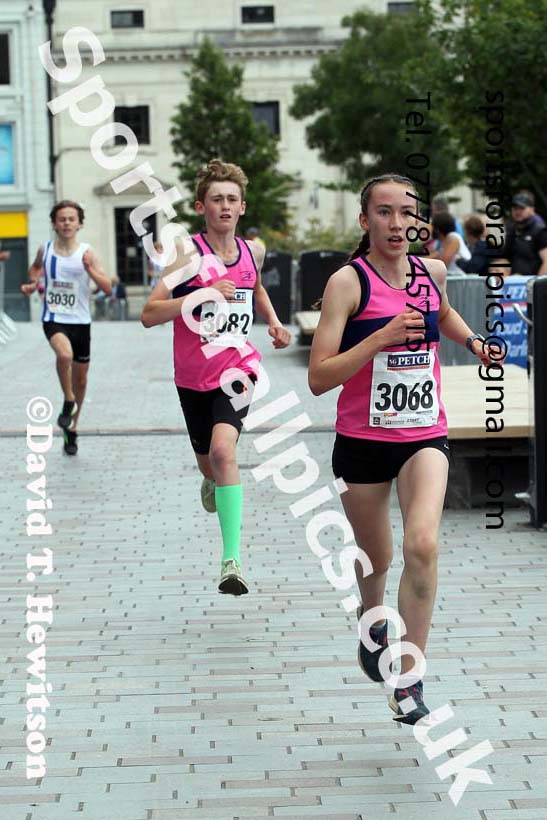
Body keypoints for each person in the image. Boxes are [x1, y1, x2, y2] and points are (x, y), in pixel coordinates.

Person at [308, 174, 500, 724]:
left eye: (406, 214)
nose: (397, 224)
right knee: (380, 557)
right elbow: (319, 378)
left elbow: (440, 313)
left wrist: (472, 342)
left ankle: (410, 680)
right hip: (363, 442)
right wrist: (380, 338)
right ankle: (372, 621)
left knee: (422, 544)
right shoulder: (348, 283)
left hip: (423, 433)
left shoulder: (431, 271)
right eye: (385, 213)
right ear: (366, 220)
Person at [141, 159, 291, 596]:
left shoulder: (252, 251)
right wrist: (202, 294)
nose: (224, 207)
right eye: (216, 200)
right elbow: (150, 314)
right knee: (210, 461)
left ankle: (231, 560)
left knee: (226, 453)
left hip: (238, 368)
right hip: (192, 377)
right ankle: (209, 479)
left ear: (242, 207)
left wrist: (274, 322)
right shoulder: (186, 254)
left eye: (231, 200)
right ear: (200, 206)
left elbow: (254, 287)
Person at [21, 200, 112, 455]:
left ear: (79, 223)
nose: (67, 223)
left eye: (71, 219)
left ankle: (71, 426)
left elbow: (106, 287)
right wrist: (32, 283)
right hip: (54, 317)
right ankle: (68, 399)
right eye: (62, 219)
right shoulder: (45, 249)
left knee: (81, 379)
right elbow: (36, 269)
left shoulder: (87, 252)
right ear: (54, 224)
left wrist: (90, 269)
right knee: (64, 355)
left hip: (81, 322)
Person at [499, 193, 547, 276]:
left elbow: (546, 261)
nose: (518, 211)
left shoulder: (540, 231)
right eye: (515, 208)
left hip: (532, 283)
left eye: (522, 208)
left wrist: (537, 284)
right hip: (514, 282)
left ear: (532, 210)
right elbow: (505, 258)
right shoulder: (511, 230)